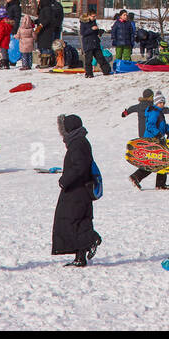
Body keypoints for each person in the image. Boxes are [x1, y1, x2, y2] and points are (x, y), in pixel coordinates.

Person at [53, 114, 102, 267]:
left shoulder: (77, 143)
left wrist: (64, 180)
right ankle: (80, 257)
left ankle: (91, 238)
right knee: (79, 222)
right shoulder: (79, 141)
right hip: (81, 189)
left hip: (77, 189)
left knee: (70, 221)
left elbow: (80, 166)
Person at [79, 13, 111, 79]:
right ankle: (89, 73)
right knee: (88, 60)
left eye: (95, 16)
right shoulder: (83, 23)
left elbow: (95, 32)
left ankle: (106, 71)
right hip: (88, 44)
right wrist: (91, 29)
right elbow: (83, 33)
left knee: (101, 58)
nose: (94, 17)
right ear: (88, 16)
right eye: (93, 16)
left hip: (95, 43)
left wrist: (99, 31)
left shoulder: (94, 22)